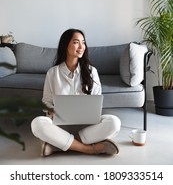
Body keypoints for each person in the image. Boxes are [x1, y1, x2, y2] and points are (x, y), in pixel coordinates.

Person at [31, 28, 121, 156]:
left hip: (87, 126)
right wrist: (51, 110)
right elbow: (46, 101)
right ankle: (89, 149)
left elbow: (97, 99)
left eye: (83, 42)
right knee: (37, 124)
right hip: (60, 126)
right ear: (65, 45)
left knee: (114, 122)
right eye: (76, 42)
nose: (81, 46)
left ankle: (57, 145)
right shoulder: (53, 72)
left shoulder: (91, 71)